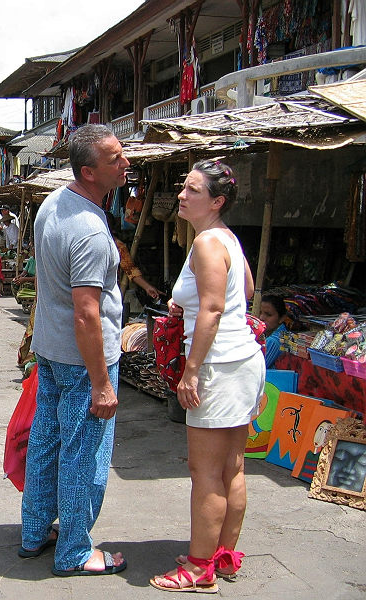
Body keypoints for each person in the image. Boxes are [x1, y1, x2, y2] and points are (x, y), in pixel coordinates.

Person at [151, 160, 265, 593]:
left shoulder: (205, 243)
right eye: (184, 187)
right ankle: (223, 555)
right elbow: (247, 291)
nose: (182, 195)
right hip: (244, 361)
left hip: (219, 366)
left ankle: (199, 569)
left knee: (205, 473)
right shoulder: (226, 239)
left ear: (216, 201)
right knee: (232, 468)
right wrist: (194, 304)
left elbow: (215, 309)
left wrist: (191, 371)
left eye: (193, 190)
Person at [21, 124, 127, 577]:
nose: (126, 164)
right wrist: (102, 382)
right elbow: (87, 314)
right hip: (82, 361)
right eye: (115, 159)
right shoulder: (88, 229)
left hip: (51, 349)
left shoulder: (53, 204)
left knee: (47, 442)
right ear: (89, 171)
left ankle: (34, 531)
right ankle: (74, 552)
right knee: (84, 452)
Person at [259, 294, 288, 368]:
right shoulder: (284, 334)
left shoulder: (273, 341)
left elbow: (258, 369)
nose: (261, 317)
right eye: (260, 313)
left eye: (268, 315)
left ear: (282, 318)